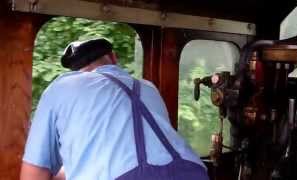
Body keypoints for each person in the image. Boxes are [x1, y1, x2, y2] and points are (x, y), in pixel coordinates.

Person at [20, 38, 209, 180]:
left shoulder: (61, 87)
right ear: (113, 58)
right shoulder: (148, 87)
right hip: (192, 171)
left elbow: (33, 174)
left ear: (75, 70)